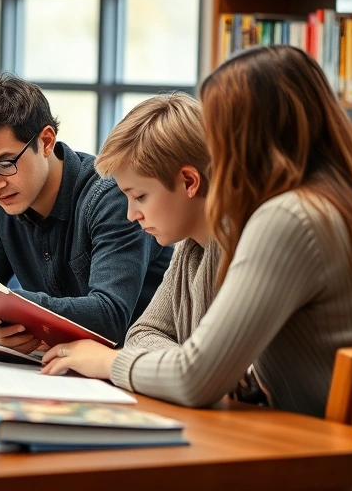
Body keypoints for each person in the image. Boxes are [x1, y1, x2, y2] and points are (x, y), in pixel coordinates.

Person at [43, 45, 352, 418]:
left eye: (219, 132)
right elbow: (149, 336)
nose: (211, 150)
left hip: (319, 452)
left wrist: (107, 361)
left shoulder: (289, 217)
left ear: (250, 137)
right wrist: (182, 361)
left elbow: (195, 378)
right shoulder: (320, 205)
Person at [0, 73, 172, 349]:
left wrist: (13, 306)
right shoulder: (3, 204)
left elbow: (110, 316)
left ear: (46, 142)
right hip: (59, 370)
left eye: (5, 164)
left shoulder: (111, 198)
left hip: (134, 367)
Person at [29, 93, 220, 386]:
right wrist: (175, 366)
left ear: (190, 182)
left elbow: (210, 374)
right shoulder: (187, 249)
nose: (131, 214)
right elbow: (144, 334)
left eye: (140, 196)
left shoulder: (244, 250)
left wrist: (111, 362)